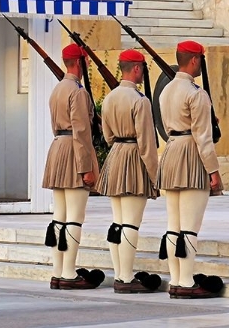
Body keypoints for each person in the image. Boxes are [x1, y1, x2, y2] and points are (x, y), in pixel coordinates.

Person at [156, 40, 224, 299]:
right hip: (191, 154)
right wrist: (214, 170)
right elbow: (203, 138)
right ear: (195, 61)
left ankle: (175, 279)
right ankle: (186, 282)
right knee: (190, 226)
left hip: (171, 150)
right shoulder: (196, 93)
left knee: (173, 225)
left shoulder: (165, 91)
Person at [95, 49, 162, 294]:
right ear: (136, 68)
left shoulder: (110, 98)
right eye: (142, 68)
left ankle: (120, 274)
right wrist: (155, 175)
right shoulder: (140, 100)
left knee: (118, 223)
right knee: (131, 224)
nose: (143, 73)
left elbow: (107, 136)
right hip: (134, 156)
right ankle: (126, 277)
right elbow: (147, 143)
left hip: (116, 156)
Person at [42, 43, 104, 289]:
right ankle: (69, 273)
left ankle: (58, 272)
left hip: (57, 147)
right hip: (73, 151)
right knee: (75, 218)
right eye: (86, 61)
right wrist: (86, 166)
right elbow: (81, 131)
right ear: (79, 63)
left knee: (60, 217)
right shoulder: (78, 92)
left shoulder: (57, 89)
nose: (87, 65)